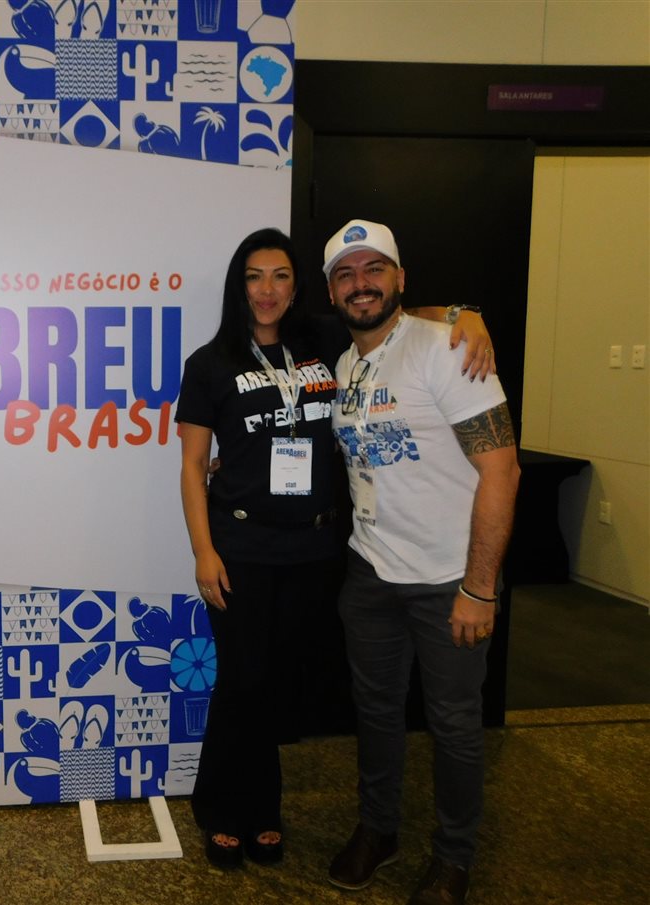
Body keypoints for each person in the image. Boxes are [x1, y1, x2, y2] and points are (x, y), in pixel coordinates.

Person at [175, 228, 495, 870]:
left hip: (317, 550)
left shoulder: (324, 340)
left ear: (299, 288)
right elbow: (192, 466)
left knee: (280, 687)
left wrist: (467, 316)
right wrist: (204, 552)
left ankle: (265, 809)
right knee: (243, 681)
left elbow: (400, 316)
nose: (267, 291)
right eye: (254, 277)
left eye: (281, 276)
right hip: (240, 546)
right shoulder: (210, 363)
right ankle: (222, 808)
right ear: (239, 287)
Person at [322, 219, 520, 905]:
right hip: (371, 574)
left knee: (455, 725)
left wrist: (480, 586)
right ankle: (380, 829)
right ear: (331, 291)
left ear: (400, 278)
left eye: (375, 268)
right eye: (346, 274)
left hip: (448, 583)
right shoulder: (347, 367)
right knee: (375, 713)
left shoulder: (446, 349)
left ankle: (453, 856)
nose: (361, 283)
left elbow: (502, 469)